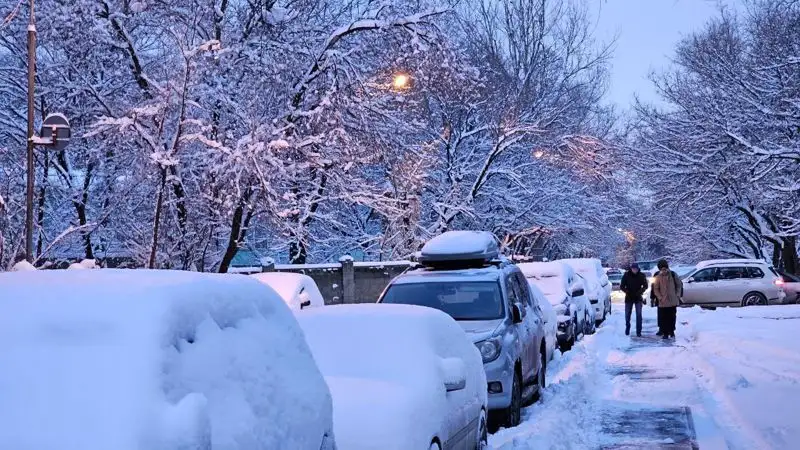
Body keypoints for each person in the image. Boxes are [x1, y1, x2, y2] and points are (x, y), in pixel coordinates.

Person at [653, 259, 683, 339]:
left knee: (672, 317)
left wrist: (677, 295)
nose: (664, 270)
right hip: (663, 301)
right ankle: (665, 333)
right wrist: (659, 297)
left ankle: (672, 331)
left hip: (672, 300)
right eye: (662, 269)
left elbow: (679, 285)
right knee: (663, 318)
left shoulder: (673, 275)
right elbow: (656, 288)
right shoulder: (658, 277)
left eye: (665, 268)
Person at [620, 263, 648, 336]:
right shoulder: (626, 275)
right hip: (629, 297)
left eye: (636, 269)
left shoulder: (641, 275)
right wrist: (627, 291)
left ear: (638, 269)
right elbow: (622, 286)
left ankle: (639, 331)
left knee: (639, 314)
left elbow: (645, 286)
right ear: (631, 269)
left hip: (638, 297)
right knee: (627, 314)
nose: (634, 270)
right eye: (633, 269)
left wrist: (640, 291)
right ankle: (627, 327)